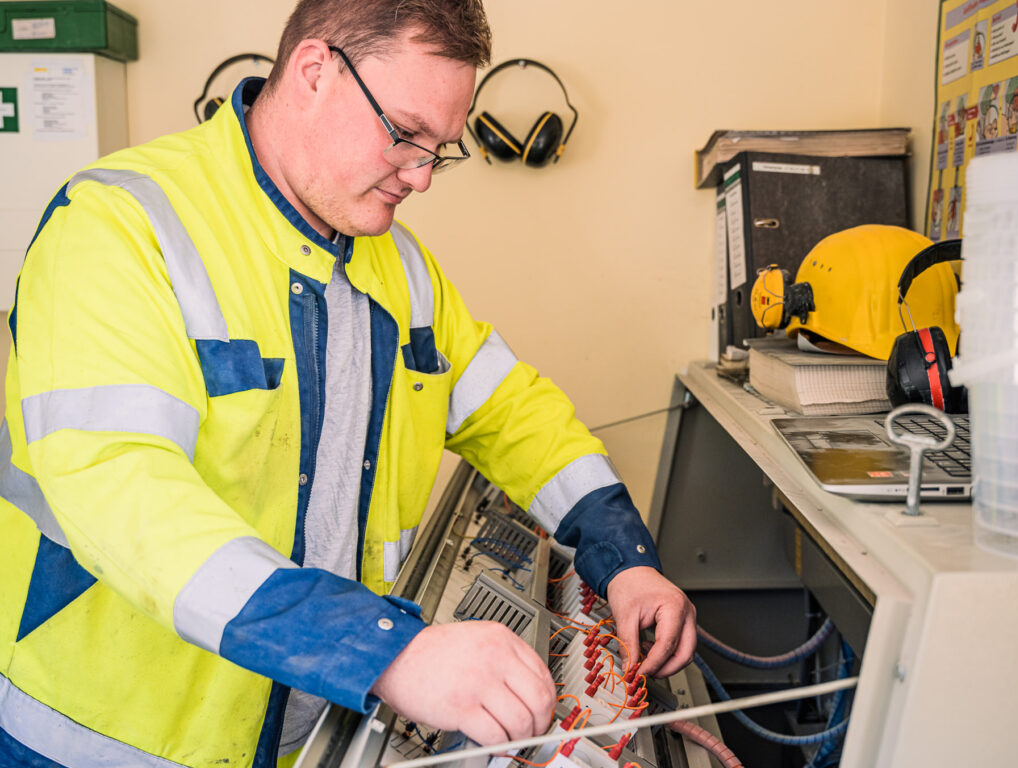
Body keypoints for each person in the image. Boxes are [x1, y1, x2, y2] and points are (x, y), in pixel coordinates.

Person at [0, 1, 696, 766]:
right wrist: (383, 649)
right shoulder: (119, 225)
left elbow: (511, 410)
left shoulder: (399, 264)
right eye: (405, 134)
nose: (422, 176)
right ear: (313, 72)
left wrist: (624, 556)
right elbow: (123, 490)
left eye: (440, 150)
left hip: (309, 731)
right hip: (102, 743)